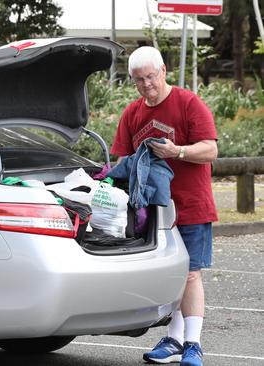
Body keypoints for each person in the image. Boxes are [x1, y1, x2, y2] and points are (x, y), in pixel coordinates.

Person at [110, 46, 217, 366]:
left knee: (190, 274)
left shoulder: (188, 103)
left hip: (192, 204)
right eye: (138, 80)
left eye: (151, 77)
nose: (146, 85)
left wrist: (177, 152)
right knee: (169, 275)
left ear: (164, 71)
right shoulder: (132, 113)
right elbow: (122, 161)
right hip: (153, 210)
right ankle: (173, 338)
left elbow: (210, 150)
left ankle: (193, 344)